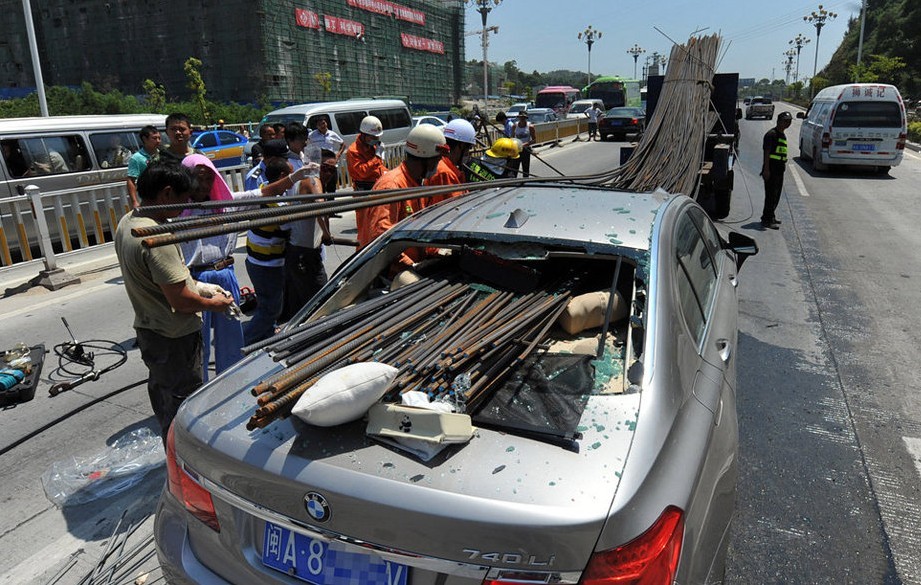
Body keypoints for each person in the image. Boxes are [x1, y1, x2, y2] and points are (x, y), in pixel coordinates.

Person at [114, 161, 234, 442]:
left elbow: (165, 282)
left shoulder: (129, 221)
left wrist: (200, 286)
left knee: (164, 396)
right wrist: (214, 303)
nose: (186, 206)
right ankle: (183, 459)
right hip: (174, 336)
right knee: (184, 405)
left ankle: (171, 445)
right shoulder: (158, 237)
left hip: (150, 330)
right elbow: (181, 301)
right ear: (167, 194)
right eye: (183, 199)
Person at [180, 154, 313, 377]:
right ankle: (198, 387)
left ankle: (228, 380)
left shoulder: (226, 202)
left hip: (225, 274)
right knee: (198, 339)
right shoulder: (178, 211)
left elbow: (262, 193)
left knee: (231, 336)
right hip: (195, 279)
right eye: (197, 178)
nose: (203, 184)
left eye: (208, 178)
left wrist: (295, 177)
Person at [362, 124, 448, 269]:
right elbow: (380, 238)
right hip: (385, 272)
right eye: (437, 160)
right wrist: (411, 265)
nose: (438, 165)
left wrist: (438, 251)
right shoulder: (391, 186)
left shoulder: (416, 184)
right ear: (425, 158)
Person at [426, 118, 476, 203]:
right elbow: (456, 206)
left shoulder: (444, 166)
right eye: (469, 148)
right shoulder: (445, 173)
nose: (468, 153)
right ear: (461, 146)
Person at [760, 111, 792, 230]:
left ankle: (771, 216)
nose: (787, 124)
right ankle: (766, 220)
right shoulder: (771, 134)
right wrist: (766, 170)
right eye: (785, 121)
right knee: (770, 195)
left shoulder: (782, 134)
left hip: (779, 169)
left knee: (776, 195)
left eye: (789, 122)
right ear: (779, 121)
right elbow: (766, 152)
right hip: (771, 169)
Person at [308, 116, 346, 195]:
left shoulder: (332, 134)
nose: (323, 126)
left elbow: (343, 144)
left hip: (330, 164)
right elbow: (305, 143)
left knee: (331, 187)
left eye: (323, 123)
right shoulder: (312, 135)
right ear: (316, 126)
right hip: (319, 165)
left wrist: (337, 155)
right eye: (320, 124)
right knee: (320, 187)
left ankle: (331, 204)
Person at [127, 125, 161, 208]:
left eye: (159, 138)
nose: (158, 141)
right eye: (154, 138)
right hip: (148, 196)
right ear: (145, 139)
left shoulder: (163, 154)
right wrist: (134, 201)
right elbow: (131, 180)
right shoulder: (136, 158)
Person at [510, 111, 537, 177]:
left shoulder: (530, 127)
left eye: (523, 117)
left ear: (526, 118)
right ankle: (514, 182)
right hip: (516, 150)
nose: (522, 119)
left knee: (525, 168)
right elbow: (512, 138)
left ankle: (525, 182)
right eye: (521, 117)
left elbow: (534, 140)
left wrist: (525, 144)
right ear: (519, 117)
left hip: (525, 150)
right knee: (514, 168)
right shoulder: (515, 126)